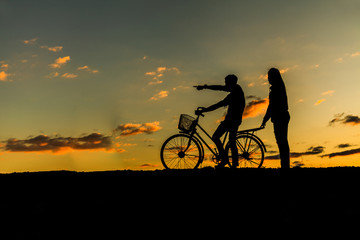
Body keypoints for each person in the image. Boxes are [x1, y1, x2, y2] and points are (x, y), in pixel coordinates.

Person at [195, 74, 245, 168]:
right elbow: (219, 88)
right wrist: (205, 87)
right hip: (233, 119)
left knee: (219, 138)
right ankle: (231, 162)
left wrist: (205, 110)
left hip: (232, 120)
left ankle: (226, 160)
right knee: (231, 141)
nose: (225, 84)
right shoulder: (236, 89)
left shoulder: (234, 93)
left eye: (226, 82)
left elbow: (219, 104)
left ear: (230, 82)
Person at [261, 68, 290, 169]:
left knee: (282, 142)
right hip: (282, 116)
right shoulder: (279, 87)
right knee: (283, 142)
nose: (268, 79)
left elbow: (271, 106)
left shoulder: (276, 89)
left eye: (269, 77)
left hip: (280, 117)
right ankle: (285, 165)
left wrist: (265, 119)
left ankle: (285, 166)